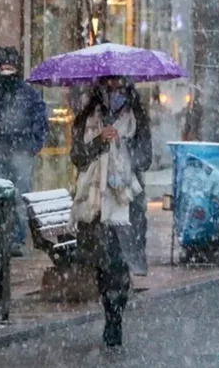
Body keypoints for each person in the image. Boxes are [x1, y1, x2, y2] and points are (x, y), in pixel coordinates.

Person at [71, 76, 151, 347]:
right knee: (104, 264)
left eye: (118, 84)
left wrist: (122, 144)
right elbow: (78, 156)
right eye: (108, 85)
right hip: (96, 200)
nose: (113, 89)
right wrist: (99, 142)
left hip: (126, 199)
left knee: (120, 262)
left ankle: (116, 315)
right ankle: (110, 311)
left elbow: (146, 158)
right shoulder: (87, 115)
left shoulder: (136, 115)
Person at [0, 46, 48, 257]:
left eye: (10, 67)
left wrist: (31, 145)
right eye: (3, 67)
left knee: (17, 197)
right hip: (0, 152)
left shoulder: (27, 94)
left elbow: (40, 122)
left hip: (20, 153)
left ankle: (15, 239)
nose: (7, 72)